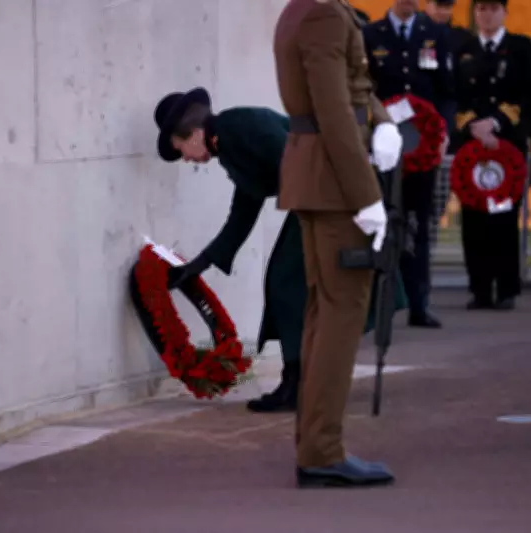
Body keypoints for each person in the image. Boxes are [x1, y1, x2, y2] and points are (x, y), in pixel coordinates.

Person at [273, 0, 403, 488]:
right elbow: (330, 108)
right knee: (340, 318)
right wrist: (366, 194)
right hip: (335, 183)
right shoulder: (324, 14)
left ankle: (315, 445)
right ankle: (322, 451)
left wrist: (383, 118)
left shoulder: (302, 10)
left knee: (323, 316)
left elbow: (354, 89)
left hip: (317, 178)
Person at [152, 88, 305, 414]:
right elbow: (244, 210)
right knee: (283, 285)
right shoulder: (230, 139)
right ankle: (297, 380)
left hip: (322, 196)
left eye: (182, 150)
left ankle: (298, 384)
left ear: (194, 134)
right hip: (313, 198)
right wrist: (200, 264)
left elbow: (298, 160)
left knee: (285, 284)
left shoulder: (240, 127)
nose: (188, 159)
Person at [364, 0, 455, 329]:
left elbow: (446, 91)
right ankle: (381, 304)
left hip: (423, 149)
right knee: (382, 223)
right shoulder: (371, 34)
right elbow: (364, 88)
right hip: (385, 146)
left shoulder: (435, 34)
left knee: (419, 225)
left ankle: (419, 302)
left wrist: (444, 130)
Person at [452, 0, 531, 310]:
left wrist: (497, 122)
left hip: (506, 147)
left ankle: (506, 288)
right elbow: (455, 93)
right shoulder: (463, 48)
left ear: (505, 12)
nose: (487, 15)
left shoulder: (521, 48)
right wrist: (473, 125)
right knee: (473, 217)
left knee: (503, 216)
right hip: (472, 146)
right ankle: (480, 288)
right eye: (481, 9)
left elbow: (529, 93)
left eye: (493, 9)